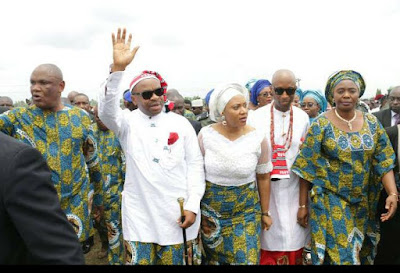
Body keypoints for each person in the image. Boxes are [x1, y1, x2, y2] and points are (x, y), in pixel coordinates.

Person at [97, 28, 205, 265]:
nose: (155, 97)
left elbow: (195, 166)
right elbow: (105, 111)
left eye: (158, 91)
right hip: (140, 216)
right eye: (147, 94)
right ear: (134, 99)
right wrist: (117, 71)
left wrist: (193, 204)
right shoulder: (127, 122)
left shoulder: (181, 123)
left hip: (177, 212)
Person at [291, 70, 398, 265]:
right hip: (331, 199)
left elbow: (384, 160)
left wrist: (392, 193)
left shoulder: (372, 123)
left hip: (364, 200)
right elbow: (306, 167)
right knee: (344, 256)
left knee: (361, 253)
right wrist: (303, 206)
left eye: (352, 91)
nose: (346, 95)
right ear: (332, 95)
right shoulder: (321, 124)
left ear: (359, 94)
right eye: (341, 91)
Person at [0, 64, 102, 254]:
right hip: (34, 203)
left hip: (75, 203)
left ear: (61, 86)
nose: (35, 88)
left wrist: (98, 198)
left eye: (43, 83)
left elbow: (93, 161)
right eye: (32, 83)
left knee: (71, 254)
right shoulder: (16, 118)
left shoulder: (80, 117)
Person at [198, 83, 272, 264]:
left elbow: (263, 177)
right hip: (211, 215)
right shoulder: (206, 135)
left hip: (245, 213)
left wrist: (265, 212)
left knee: (246, 259)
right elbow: (196, 174)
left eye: (244, 106)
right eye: (236, 107)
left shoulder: (258, 138)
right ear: (222, 111)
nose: (243, 111)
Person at [248, 69, 310, 265]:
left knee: (294, 242)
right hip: (266, 193)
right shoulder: (255, 118)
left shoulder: (302, 117)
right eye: (279, 90)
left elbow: (305, 163)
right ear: (272, 90)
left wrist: (303, 205)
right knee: (267, 242)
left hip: (294, 189)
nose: (284, 96)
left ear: (296, 90)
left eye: (290, 91)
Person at [0, 131, 85, 264]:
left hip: (74, 195)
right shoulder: (16, 118)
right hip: (33, 199)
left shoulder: (80, 118)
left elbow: (61, 253)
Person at [92, 106, 125, 264]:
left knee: (115, 229)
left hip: (116, 192)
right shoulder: (89, 133)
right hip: (94, 193)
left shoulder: (119, 133)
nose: (99, 119)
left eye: (102, 116)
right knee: (100, 226)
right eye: (96, 117)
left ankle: (116, 260)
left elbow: (126, 165)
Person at [373, 85, 400, 264]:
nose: (395, 103)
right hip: (388, 188)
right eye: (393, 99)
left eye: (399, 99)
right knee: (390, 238)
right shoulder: (385, 126)